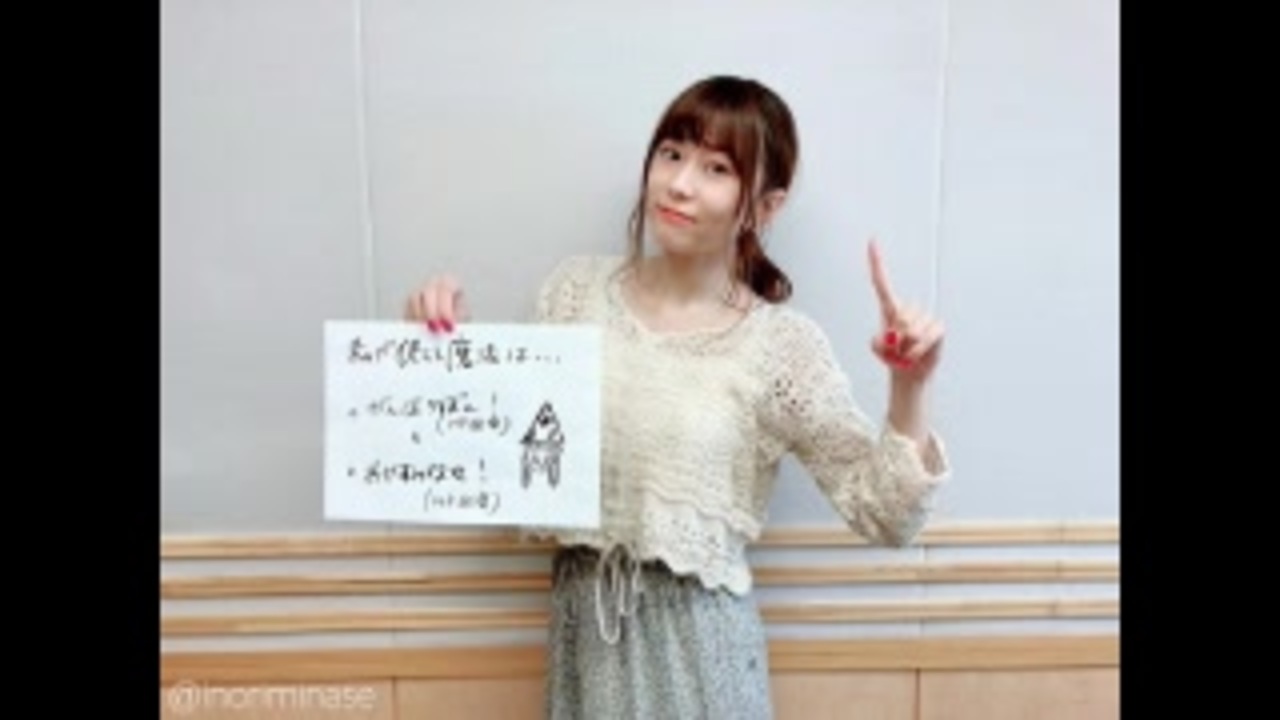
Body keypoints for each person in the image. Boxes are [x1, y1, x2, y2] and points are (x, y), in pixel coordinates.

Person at [404, 75, 950, 720]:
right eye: (671, 154)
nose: (680, 184)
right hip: (585, 641)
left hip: (700, 657)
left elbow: (888, 516)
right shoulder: (573, 296)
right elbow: (508, 459)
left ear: (765, 206)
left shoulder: (780, 346)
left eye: (716, 168)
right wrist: (444, 354)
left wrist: (909, 385)